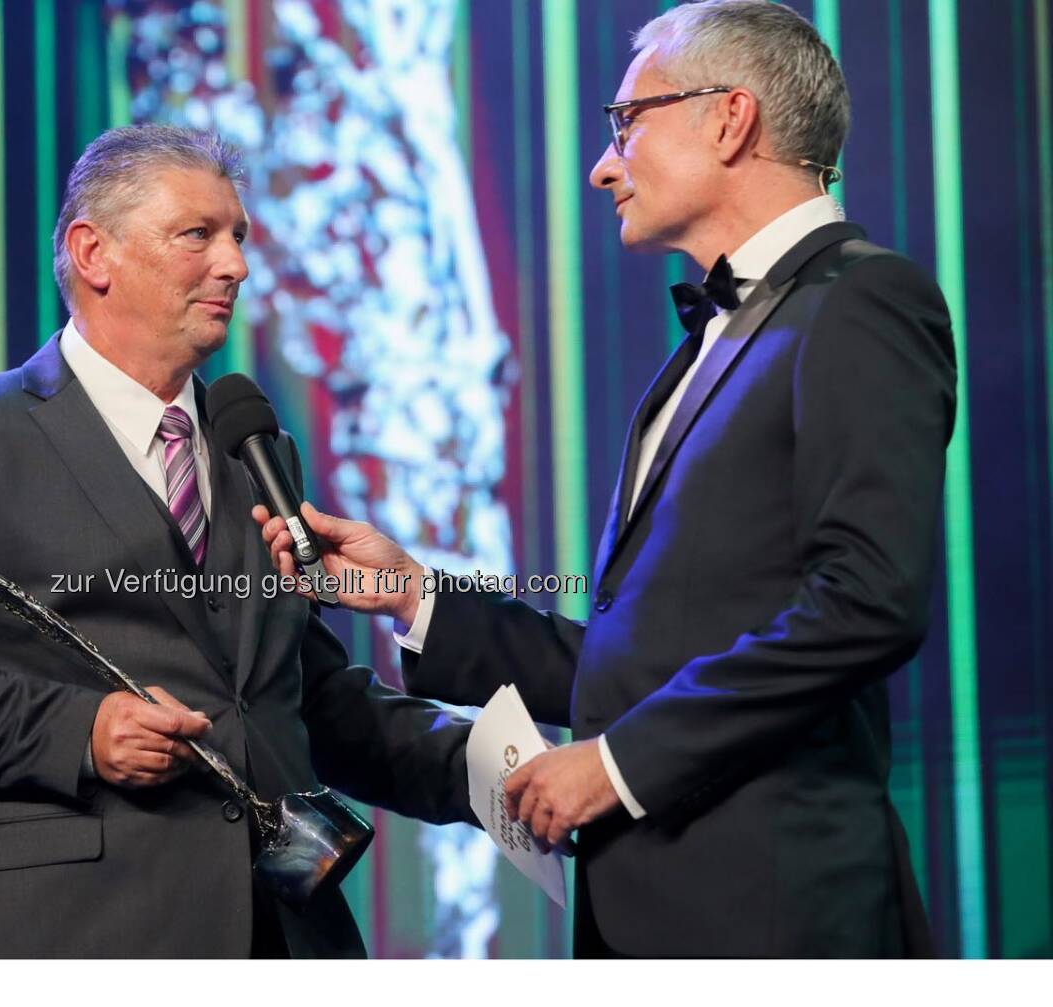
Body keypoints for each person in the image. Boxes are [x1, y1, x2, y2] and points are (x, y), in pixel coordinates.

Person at [257, 0, 950, 957]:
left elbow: (869, 602)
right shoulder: (714, 341)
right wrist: (415, 596)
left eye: (628, 122)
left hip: (776, 913)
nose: (603, 163)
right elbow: (642, 662)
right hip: (657, 909)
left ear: (729, 118)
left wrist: (618, 765)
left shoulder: (863, 301)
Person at [0, 124, 474, 959]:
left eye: (238, 236)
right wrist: (81, 733)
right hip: (74, 935)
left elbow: (298, 701)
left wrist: (504, 774)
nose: (235, 264)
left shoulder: (254, 451)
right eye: (197, 234)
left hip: (279, 939)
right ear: (94, 253)